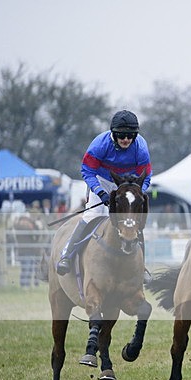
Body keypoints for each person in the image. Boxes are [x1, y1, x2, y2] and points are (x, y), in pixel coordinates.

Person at [56, 110, 152, 275]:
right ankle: (67, 255)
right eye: (122, 135)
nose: (126, 140)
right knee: (93, 214)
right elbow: (87, 171)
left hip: (127, 183)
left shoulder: (141, 149)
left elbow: (146, 176)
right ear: (113, 134)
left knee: (133, 220)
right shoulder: (99, 145)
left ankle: (141, 267)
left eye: (130, 135)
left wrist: (136, 195)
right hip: (101, 180)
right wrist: (101, 193)